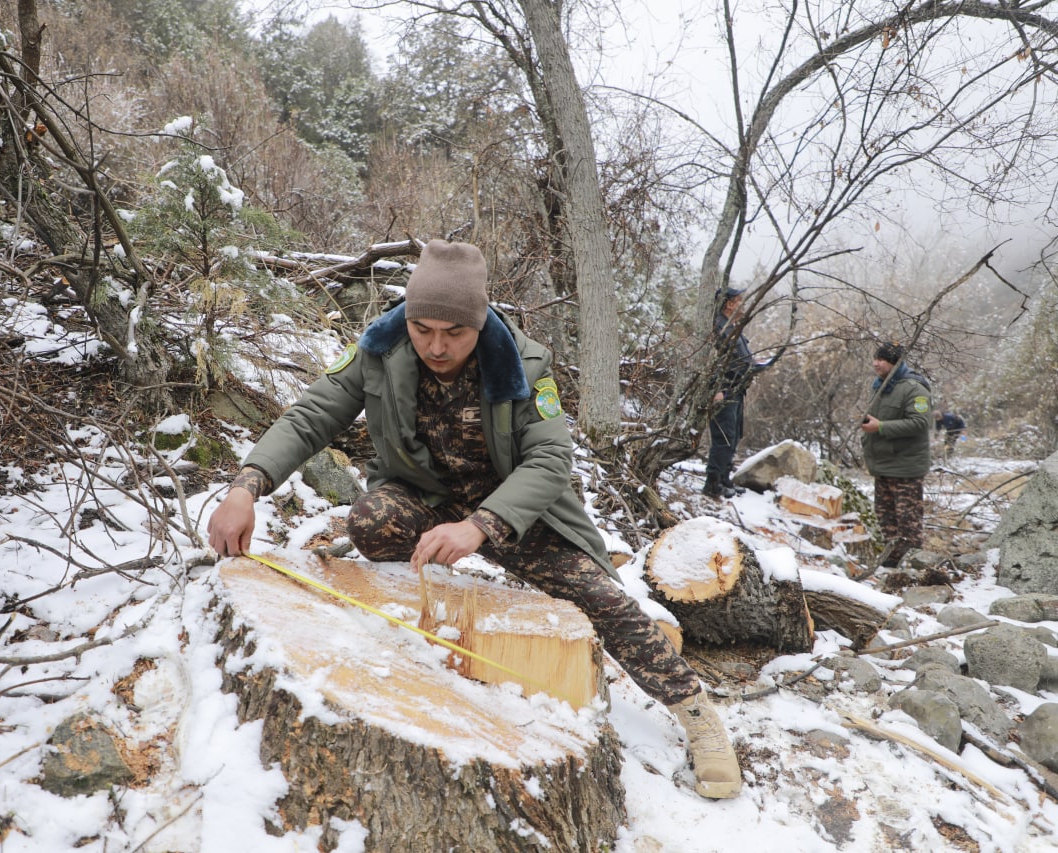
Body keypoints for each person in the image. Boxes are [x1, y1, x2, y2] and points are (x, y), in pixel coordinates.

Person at [208, 239, 742, 799]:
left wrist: (482, 526)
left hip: (513, 511)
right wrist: (246, 487)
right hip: (427, 501)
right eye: (423, 329)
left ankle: (696, 713)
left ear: (480, 321)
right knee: (370, 522)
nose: (436, 346)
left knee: (601, 599)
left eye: (454, 332)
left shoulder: (524, 363)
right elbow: (311, 416)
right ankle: (423, 607)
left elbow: (551, 458)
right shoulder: (377, 349)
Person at [860, 341, 933, 568]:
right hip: (883, 466)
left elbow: (920, 423)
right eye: (875, 358)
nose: (876, 363)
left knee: (908, 524)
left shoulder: (914, 388)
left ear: (895, 362)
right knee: (886, 521)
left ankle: (912, 568)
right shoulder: (879, 386)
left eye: (882, 359)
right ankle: (890, 566)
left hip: (906, 468)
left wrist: (880, 427)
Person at [704, 287, 774, 499]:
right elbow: (711, 361)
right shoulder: (718, 328)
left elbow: (740, 359)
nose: (743, 304)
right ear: (729, 304)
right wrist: (717, 390)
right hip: (724, 391)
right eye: (739, 300)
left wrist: (756, 364)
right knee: (723, 437)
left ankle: (724, 480)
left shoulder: (732, 327)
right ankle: (713, 484)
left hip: (736, 389)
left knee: (733, 436)